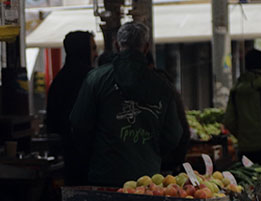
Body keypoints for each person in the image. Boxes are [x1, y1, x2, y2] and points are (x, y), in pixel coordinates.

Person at [69, 22, 182, 187]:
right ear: (146, 47)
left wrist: (99, 154)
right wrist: (149, 153)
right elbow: (173, 135)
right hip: (148, 181)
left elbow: (78, 125)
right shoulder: (162, 85)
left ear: (116, 45)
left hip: (105, 177)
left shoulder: (96, 79)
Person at [46, 31, 97, 186]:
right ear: (83, 50)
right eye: (93, 48)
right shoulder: (93, 80)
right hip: (92, 160)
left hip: (69, 160)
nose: (96, 54)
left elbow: (52, 123)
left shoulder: (59, 81)